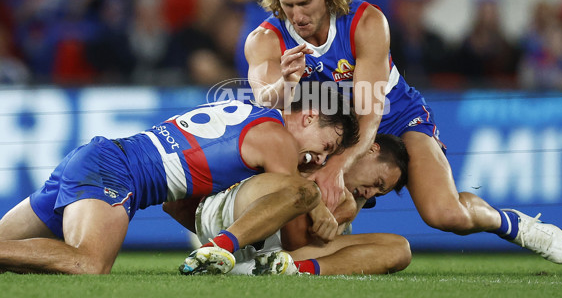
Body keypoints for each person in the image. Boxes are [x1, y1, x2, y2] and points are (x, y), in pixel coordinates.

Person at [244, 0, 562, 264]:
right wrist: (286, 84)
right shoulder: (265, 40)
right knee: (314, 215)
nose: (297, 16)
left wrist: (336, 168)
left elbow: (370, 112)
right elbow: (264, 99)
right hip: (333, 131)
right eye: (288, 6)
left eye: (305, 4)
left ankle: (512, 224)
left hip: (395, 116)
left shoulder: (366, 22)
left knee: (445, 215)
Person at [0, 88, 359, 274]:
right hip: (115, 170)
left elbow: (175, 203)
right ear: (309, 116)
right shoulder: (277, 139)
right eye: (326, 147)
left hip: (100, 157)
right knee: (88, 264)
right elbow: (292, 215)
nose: (320, 160)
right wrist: (320, 208)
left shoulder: (254, 115)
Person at [167, 134, 411, 276]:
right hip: (242, 216)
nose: (371, 192)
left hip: (276, 251)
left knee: (400, 249)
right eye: (377, 181)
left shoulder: (352, 201)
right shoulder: (319, 149)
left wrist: (344, 211)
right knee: (302, 190)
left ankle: (287, 270)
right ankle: (220, 246)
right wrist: (321, 204)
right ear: (370, 149)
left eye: (380, 192)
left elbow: (306, 240)